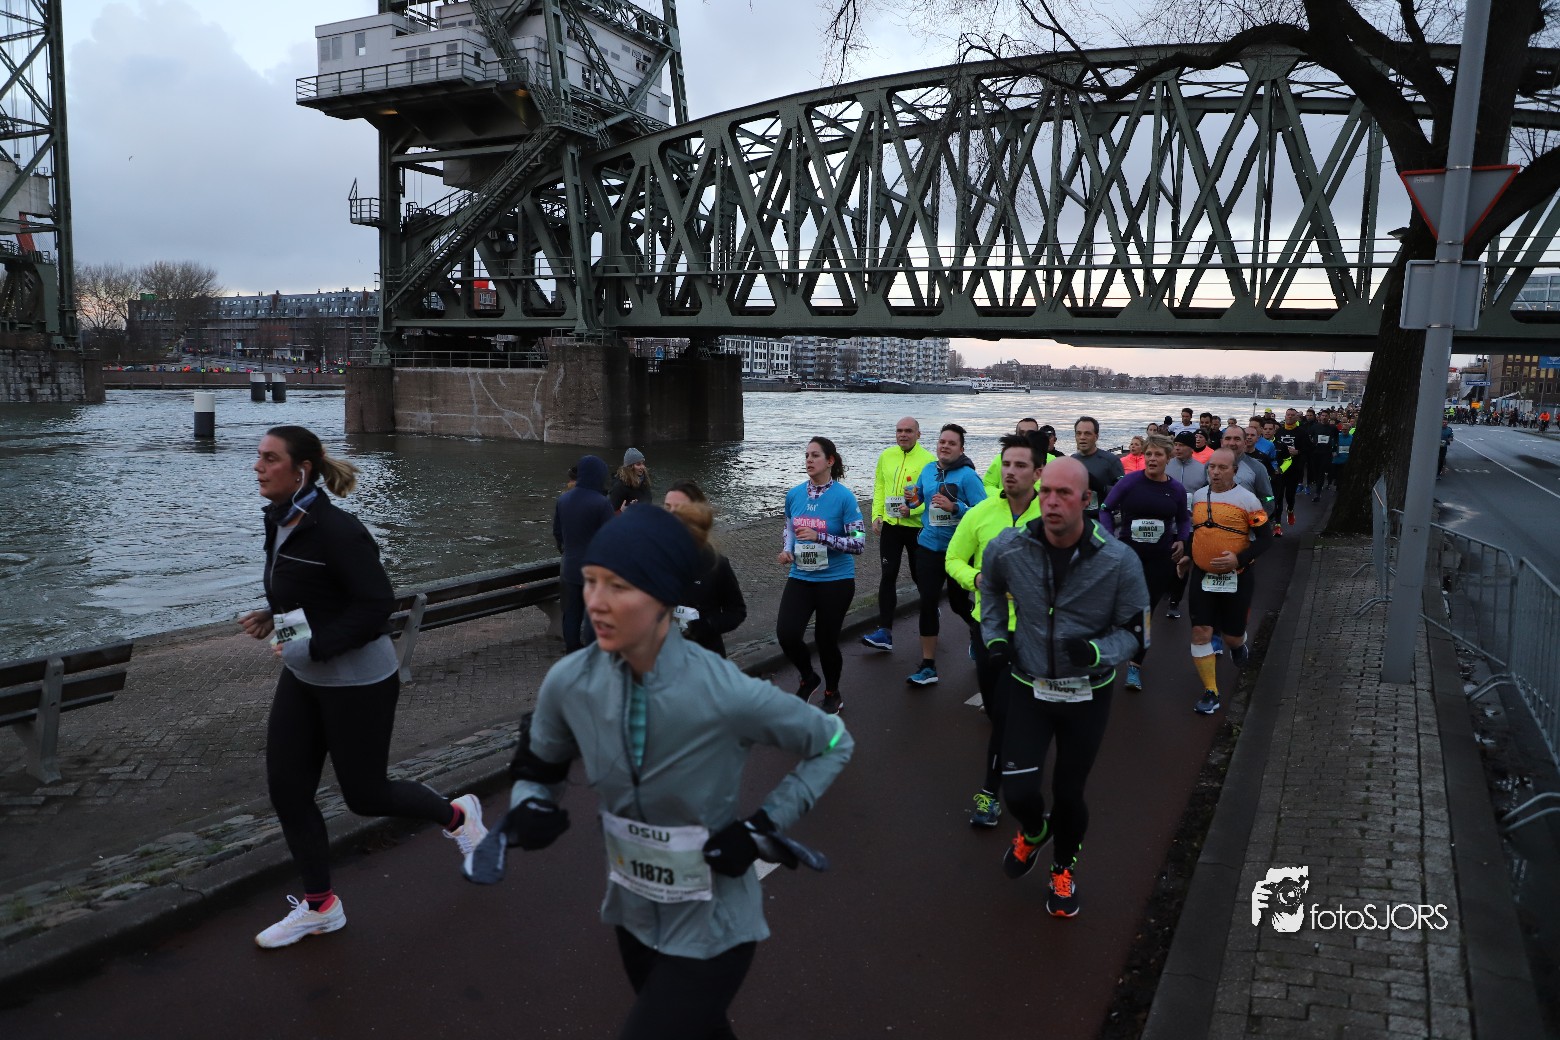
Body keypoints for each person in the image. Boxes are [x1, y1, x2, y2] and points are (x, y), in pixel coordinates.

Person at [472, 504, 854, 1039]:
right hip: (634, 916)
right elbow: (541, 765)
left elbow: (833, 740)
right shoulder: (569, 681)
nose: (595, 602)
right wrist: (531, 802)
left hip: (715, 925)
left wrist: (764, 825)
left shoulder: (722, 689)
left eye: (618, 586)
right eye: (591, 581)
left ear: (664, 598)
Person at [240, 425, 487, 949]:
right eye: (258, 456)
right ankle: (320, 907)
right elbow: (308, 589)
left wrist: (318, 645)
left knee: (366, 796)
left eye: (269, 458)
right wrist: (272, 614)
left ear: (301, 470)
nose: (257, 467)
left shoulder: (338, 530)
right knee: (288, 790)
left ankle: (458, 816)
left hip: (358, 682)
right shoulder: (279, 520)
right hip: (304, 677)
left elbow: (375, 606)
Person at [979, 458, 1149, 917]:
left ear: (1086, 500)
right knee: (1017, 793)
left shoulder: (1119, 561)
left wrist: (1096, 652)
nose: (1051, 502)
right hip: (1028, 685)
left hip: (1087, 694)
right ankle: (1035, 831)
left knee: (1069, 793)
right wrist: (995, 637)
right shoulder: (1008, 547)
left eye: (1064, 493)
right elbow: (989, 589)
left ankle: (1063, 869)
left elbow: (1137, 633)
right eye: (1046, 492)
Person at [945, 431, 1043, 828]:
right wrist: (977, 578)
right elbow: (953, 558)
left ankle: (989, 792)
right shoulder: (981, 513)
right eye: (1006, 464)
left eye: (1020, 465)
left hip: (1034, 633)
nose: (1010, 472)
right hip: (988, 629)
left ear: (1038, 472)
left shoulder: (1054, 516)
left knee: (1005, 715)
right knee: (996, 708)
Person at [1181, 449, 1273, 716]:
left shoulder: (1249, 500)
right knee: (1201, 632)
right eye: (1212, 467)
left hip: (1237, 577)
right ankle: (1211, 691)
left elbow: (1265, 539)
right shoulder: (1199, 497)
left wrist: (1238, 559)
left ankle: (1237, 644)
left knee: (1231, 636)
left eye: (1222, 468)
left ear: (1235, 471)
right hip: (1202, 575)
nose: (1216, 472)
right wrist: (1187, 555)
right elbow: (1197, 533)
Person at [778, 437, 864, 713]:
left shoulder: (845, 497)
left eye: (815, 455)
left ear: (830, 461)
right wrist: (787, 550)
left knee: (826, 642)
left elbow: (859, 543)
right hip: (801, 576)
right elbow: (789, 528)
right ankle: (808, 677)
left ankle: (832, 692)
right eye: (806, 455)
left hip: (836, 581)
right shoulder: (794, 495)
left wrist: (821, 537)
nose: (809, 460)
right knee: (787, 634)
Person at [1101, 434, 1190, 692]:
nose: (1152, 459)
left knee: (1145, 611)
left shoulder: (1176, 489)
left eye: (1158, 454)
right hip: (1128, 556)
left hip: (1160, 559)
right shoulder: (1130, 482)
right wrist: (1109, 538)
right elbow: (1106, 509)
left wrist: (1182, 540)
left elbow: (1184, 519)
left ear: (1168, 458)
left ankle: (1135, 666)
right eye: (1149, 454)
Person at [906, 423, 986, 686]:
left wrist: (955, 507)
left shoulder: (968, 476)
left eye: (951, 443)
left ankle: (977, 630)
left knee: (958, 604)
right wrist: (911, 499)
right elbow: (917, 501)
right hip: (928, 547)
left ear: (961, 449)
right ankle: (928, 666)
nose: (945, 446)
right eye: (942, 442)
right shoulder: (928, 470)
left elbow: (983, 512)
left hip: (959, 552)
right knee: (927, 602)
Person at [864, 417, 935, 652]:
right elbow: (879, 486)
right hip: (891, 528)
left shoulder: (929, 461)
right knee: (888, 575)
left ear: (918, 434)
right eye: (899, 431)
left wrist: (913, 509)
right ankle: (884, 632)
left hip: (916, 528)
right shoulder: (886, 456)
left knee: (919, 576)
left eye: (908, 431)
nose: (903, 435)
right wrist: (876, 514)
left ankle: (931, 610)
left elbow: (932, 498)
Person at [664, 479, 747, 658]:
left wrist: (705, 625)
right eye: (667, 507)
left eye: (680, 509)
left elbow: (737, 612)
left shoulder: (715, 563)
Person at [554, 454, 614, 652]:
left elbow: (557, 532)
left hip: (570, 565)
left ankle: (572, 649)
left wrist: (566, 551)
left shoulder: (564, 500)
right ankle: (592, 651)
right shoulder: (601, 503)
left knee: (571, 612)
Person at [1071, 415, 1125, 508]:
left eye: (1087, 433)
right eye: (1078, 433)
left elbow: (1124, 492)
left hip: (1101, 514)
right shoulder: (1071, 461)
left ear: (1096, 437)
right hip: (1077, 514)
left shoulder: (1111, 460)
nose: (1082, 437)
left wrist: (1102, 488)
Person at [983, 417, 1041, 494]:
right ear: (1016, 435)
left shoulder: (1052, 461)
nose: (1025, 436)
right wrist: (1004, 494)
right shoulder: (1000, 458)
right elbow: (987, 486)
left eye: (1030, 433)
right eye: (1022, 433)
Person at [610, 448, 653, 512]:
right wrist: (622, 511)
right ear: (630, 467)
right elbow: (610, 514)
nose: (642, 467)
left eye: (643, 463)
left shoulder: (644, 482)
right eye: (638, 464)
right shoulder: (619, 487)